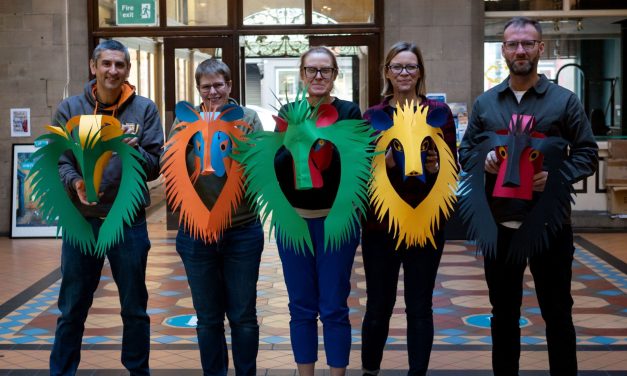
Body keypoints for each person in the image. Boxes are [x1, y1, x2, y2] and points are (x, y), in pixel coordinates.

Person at [459, 17, 598, 375]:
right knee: (503, 315)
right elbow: (465, 153)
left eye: (527, 43)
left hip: (549, 226)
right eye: (512, 44)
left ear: (540, 48)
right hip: (500, 225)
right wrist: (483, 161)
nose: (520, 50)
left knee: (557, 313)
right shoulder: (486, 103)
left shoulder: (564, 102)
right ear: (503, 50)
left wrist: (555, 177)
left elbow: (586, 153)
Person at [50, 39, 164, 375]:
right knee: (72, 306)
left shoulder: (144, 110)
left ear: (128, 69)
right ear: (93, 66)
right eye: (106, 64)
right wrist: (75, 183)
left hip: (127, 222)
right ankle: (62, 371)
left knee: (134, 307)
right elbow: (60, 160)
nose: (112, 71)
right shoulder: (70, 108)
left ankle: (137, 370)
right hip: (81, 223)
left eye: (119, 65)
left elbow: (156, 165)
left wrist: (135, 152)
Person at [360, 41, 457, 376]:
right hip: (380, 227)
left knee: (419, 308)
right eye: (397, 67)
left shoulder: (438, 115)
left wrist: (433, 168)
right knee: (377, 308)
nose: (404, 73)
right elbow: (360, 176)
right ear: (387, 71)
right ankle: (370, 370)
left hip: (425, 224)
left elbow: (451, 170)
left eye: (410, 67)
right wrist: (381, 162)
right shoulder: (373, 116)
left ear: (420, 73)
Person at [169, 59, 264, 376]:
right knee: (208, 316)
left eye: (218, 85)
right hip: (196, 231)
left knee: (242, 315)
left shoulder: (248, 118)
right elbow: (168, 164)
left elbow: (260, 164)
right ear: (198, 89)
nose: (213, 92)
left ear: (230, 86)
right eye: (206, 87)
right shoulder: (185, 120)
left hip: (242, 230)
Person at [274, 46, 362, 376]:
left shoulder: (350, 112)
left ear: (335, 75)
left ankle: (337, 373)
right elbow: (278, 167)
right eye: (312, 70)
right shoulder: (289, 111)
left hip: (336, 222)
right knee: (300, 306)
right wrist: (295, 141)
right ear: (302, 74)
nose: (318, 77)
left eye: (325, 70)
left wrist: (322, 145)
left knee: (335, 306)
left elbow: (356, 166)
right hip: (294, 223)